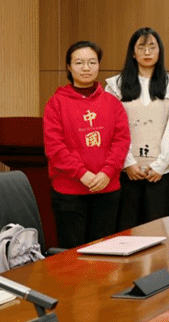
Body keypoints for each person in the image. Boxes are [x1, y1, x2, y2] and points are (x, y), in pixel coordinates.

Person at [43, 41, 131, 248]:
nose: (86, 68)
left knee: (104, 252)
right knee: (71, 254)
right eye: (79, 63)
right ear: (69, 66)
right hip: (69, 192)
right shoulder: (56, 103)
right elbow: (54, 147)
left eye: (92, 62)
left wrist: (107, 172)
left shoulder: (112, 102)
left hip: (106, 189)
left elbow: (122, 141)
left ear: (98, 65)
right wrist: (82, 173)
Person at [106, 28, 169, 230]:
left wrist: (160, 165)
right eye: (141, 47)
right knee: (126, 230)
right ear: (133, 52)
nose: (147, 52)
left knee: (158, 230)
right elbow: (111, 129)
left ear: (160, 51)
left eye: (152, 47)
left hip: (160, 172)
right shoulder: (114, 86)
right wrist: (128, 163)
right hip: (126, 171)